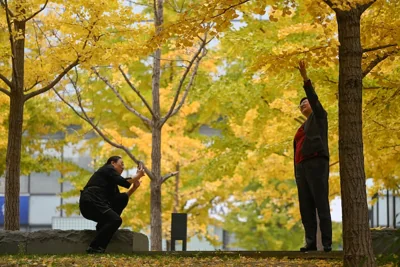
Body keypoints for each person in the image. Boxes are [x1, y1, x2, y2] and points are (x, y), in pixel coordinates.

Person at [294, 60, 332, 252]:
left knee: (321, 203)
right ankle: (310, 243)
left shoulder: (319, 116)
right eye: (300, 105)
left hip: (316, 162)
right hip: (301, 169)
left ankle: (326, 244)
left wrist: (305, 78)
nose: (303, 105)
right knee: (306, 207)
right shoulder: (301, 127)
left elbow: (313, 98)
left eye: (305, 102)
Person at [79, 156, 145, 253]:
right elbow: (123, 182)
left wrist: (134, 188)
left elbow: (119, 199)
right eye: (121, 164)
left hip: (97, 203)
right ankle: (94, 247)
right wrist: (138, 176)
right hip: (91, 201)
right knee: (116, 219)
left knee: (121, 199)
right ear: (113, 163)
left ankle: (102, 227)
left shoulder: (111, 183)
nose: (123, 167)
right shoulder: (107, 168)